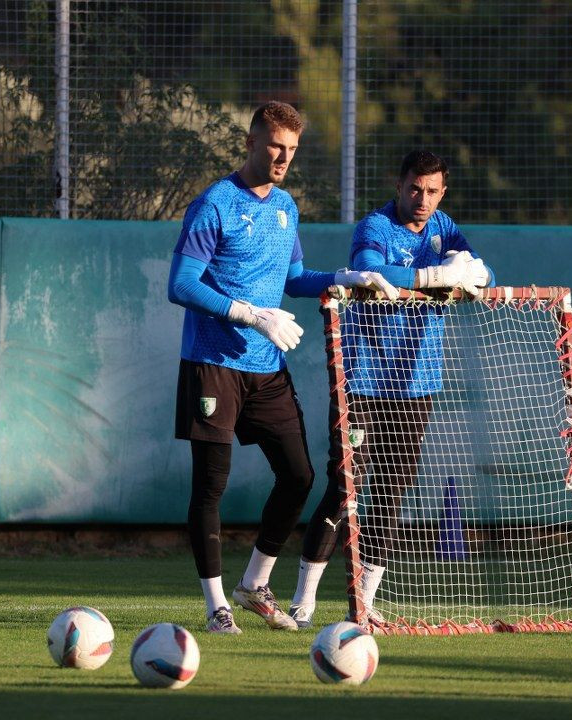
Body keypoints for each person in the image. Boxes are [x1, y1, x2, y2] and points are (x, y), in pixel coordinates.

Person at [167, 101, 398, 635]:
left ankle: (254, 583)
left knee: (299, 476)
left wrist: (345, 278)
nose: (282, 157)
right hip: (212, 363)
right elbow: (180, 285)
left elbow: (293, 277)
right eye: (274, 145)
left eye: (291, 150)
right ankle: (215, 604)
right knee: (211, 487)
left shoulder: (287, 207)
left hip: (266, 365)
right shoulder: (213, 205)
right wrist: (249, 313)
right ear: (250, 142)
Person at [288, 150, 494, 628]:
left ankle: (364, 603)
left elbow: (485, 273)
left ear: (443, 192)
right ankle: (304, 601)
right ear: (398, 186)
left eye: (432, 191)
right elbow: (373, 274)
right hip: (363, 381)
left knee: (391, 494)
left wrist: (475, 271)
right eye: (414, 189)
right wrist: (435, 276)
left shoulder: (445, 226)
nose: (422, 200)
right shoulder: (375, 227)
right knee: (345, 488)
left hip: (418, 386)